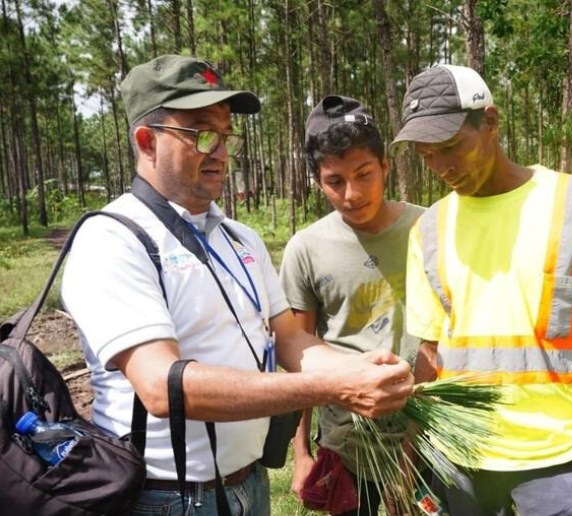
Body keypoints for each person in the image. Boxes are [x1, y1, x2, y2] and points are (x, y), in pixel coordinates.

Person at [60, 55, 413, 516]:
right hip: (165, 496)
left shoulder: (239, 239)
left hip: (249, 485)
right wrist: (335, 386)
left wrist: (362, 367)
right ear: (147, 142)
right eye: (202, 134)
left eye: (226, 135)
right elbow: (162, 386)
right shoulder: (113, 239)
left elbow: (290, 339)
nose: (221, 152)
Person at [393, 64, 572, 516]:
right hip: (458, 455)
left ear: (490, 122)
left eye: (452, 146)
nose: (443, 167)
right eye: (427, 155)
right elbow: (430, 354)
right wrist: (410, 458)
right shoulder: (429, 229)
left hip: (554, 457)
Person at [280, 95, 424, 515]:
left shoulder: (428, 229)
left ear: (386, 166)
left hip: (426, 432)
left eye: (364, 174)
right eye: (334, 181)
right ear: (318, 181)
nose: (352, 193)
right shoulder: (305, 250)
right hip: (347, 444)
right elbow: (298, 354)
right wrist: (301, 452)